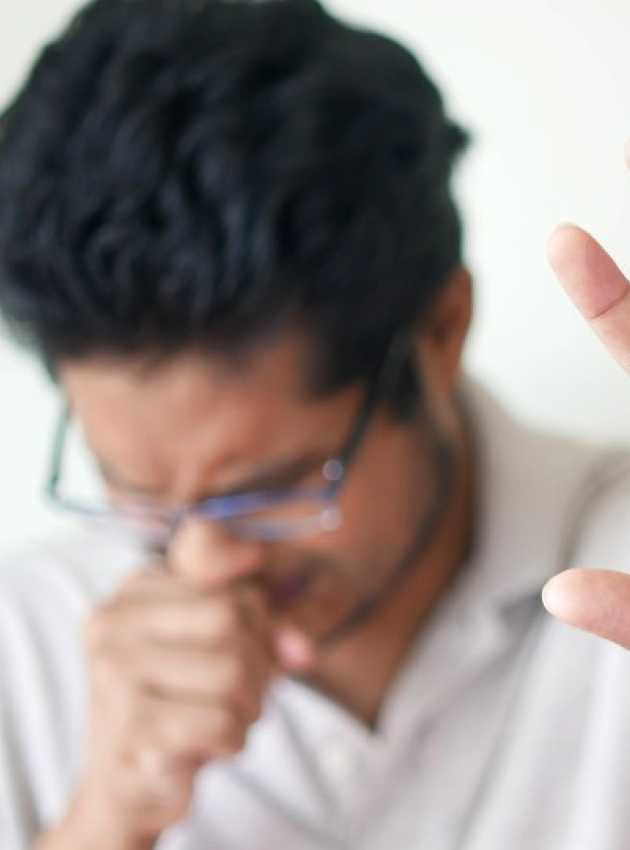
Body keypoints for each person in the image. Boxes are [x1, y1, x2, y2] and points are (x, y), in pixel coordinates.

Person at [1, 1, 629, 849]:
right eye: (137, 492)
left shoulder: (617, 566)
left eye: (268, 489)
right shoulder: (24, 642)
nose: (201, 563)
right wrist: (102, 824)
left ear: (441, 331)